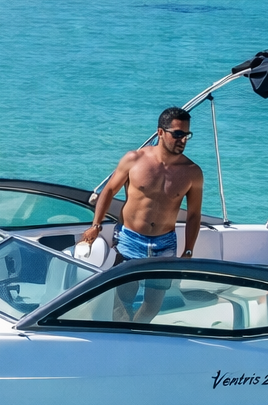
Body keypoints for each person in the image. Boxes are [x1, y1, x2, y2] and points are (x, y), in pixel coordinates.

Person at [80, 107, 205, 322]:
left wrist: (189, 250)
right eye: (177, 134)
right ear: (160, 132)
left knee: (153, 305)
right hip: (129, 238)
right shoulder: (134, 159)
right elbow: (109, 190)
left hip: (164, 244)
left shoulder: (192, 172)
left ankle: (134, 335)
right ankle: (123, 339)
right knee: (122, 299)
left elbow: (194, 215)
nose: (182, 140)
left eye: (186, 135)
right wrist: (96, 225)